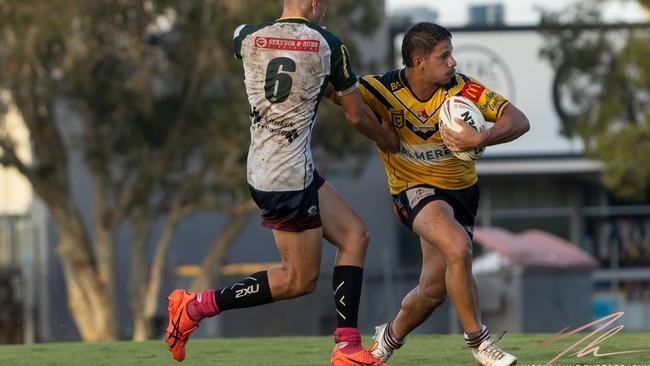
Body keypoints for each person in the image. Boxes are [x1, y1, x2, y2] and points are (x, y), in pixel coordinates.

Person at [165, 1, 399, 365]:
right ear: (314, 3)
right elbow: (356, 115)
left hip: (268, 168)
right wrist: (386, 138)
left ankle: (347, 347)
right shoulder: (328, 45)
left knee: (354, 236)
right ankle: (193, 307)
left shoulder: (247, 37)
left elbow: (238, 37)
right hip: (288, 179)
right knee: (297, 281)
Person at [352, 22, 530, 366]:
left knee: (433, 291)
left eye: (451, 54)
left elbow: (518, 120)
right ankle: (479, 342)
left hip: (461, 195)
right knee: (458, 248)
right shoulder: (380, 88)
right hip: (411, 191)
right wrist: (380, 134)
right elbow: (343, 98)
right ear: (418, 62)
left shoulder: (463, 89)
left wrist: (480, 138)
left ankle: (384, 343)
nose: (453, 63)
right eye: (444, 56)